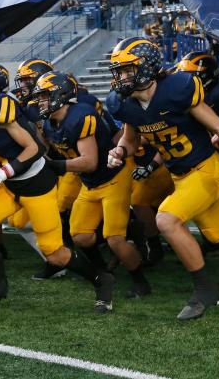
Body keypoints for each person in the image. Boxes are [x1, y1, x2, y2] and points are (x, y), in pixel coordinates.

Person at [107, 37, 219, 320]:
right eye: (118, 70)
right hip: (181, 176)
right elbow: (130, 140)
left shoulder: (176, 89)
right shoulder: (124, 103)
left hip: (207, 169)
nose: (120, 77)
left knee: (165, 218)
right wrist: (119, 150)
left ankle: (205, 289)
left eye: (127, 69)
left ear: (147, 67)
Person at [0, 59, 114, 313]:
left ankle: (101, 279)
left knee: (54, 253)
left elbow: (35, 149)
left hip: (36, 183)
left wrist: (2, 173)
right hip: (9, 183)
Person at [35, 72, 152, 302]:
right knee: (79, 235)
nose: (40, 101)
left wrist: (56, 167)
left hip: (113, 176)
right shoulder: (50, 123)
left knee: (114, 239)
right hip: (90, 183)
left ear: (61, 94)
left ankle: (141, 281)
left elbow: (90, 162)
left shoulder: (80, 115)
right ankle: (103, 270)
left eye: (45, 96)